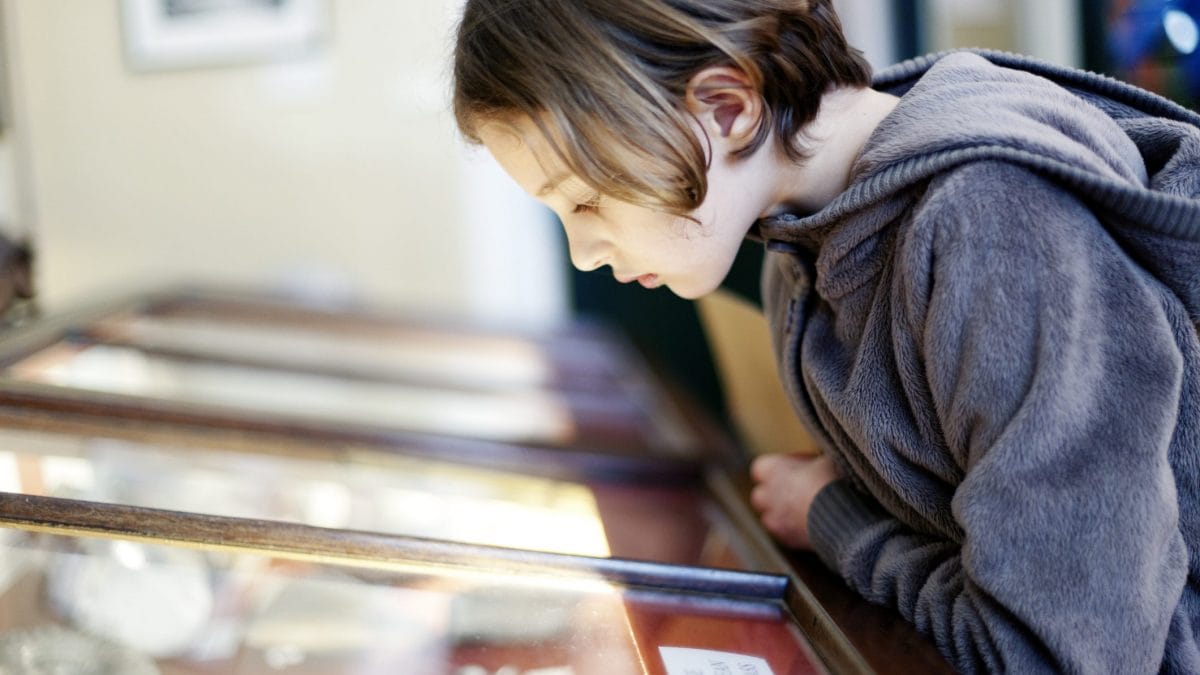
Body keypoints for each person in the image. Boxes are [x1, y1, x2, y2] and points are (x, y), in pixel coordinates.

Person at [451, 0, 1200, 671]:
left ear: (724, 106)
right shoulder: (798, 258)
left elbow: (1050, 652)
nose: (585, 253)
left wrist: (835, 522)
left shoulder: (997, 225)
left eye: (584, 202)